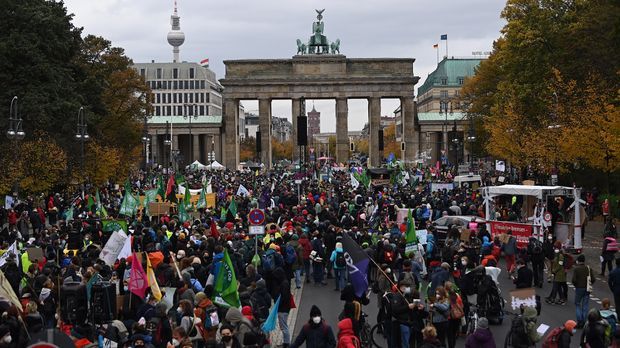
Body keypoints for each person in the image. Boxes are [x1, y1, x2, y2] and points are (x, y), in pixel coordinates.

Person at [572, 254, 594, 328]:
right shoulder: (588, 268)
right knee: (585, 305)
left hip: (579, 288)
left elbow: (574, 280)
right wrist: (590, 284)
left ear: (578, 261)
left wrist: (576, 285)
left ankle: (579, 321)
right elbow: (593, 279)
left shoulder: (576, 269)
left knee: (577, 304)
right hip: (587, 289)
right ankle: (584, 321)